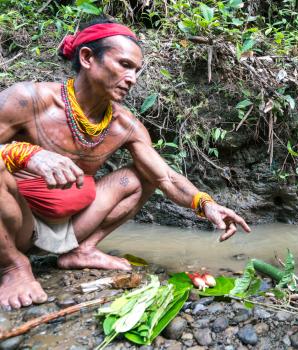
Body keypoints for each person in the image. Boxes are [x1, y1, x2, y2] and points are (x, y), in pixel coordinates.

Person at [0, 18, 251, 310]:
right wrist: (25, 154)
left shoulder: (124, 125)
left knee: (144, 175)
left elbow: (165, 178)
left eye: (136, 70)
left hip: (64, 230)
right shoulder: (28, 99)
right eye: (124, 65)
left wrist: (206, 204)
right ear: (87, 58)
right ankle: (13, 267)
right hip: (14, 227)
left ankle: (81, 250)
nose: (132, 78)